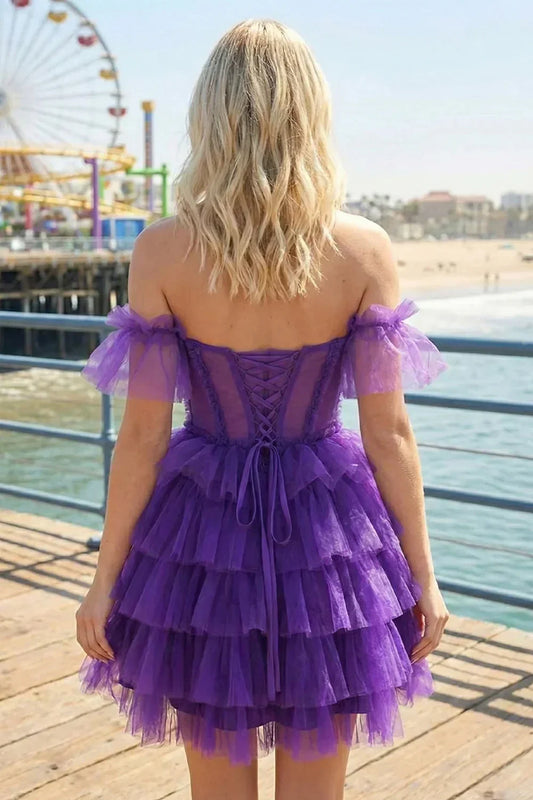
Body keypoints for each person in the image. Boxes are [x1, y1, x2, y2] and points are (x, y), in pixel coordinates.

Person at [75, 19, 449, 800]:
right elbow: (389, 436)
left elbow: (141, 437)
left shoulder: (163, 249)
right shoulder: (363, 248)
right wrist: (424, 576)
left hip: (198, 534)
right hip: (330, 535)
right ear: (310, 113)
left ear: (209, 114)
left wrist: (103, 580)